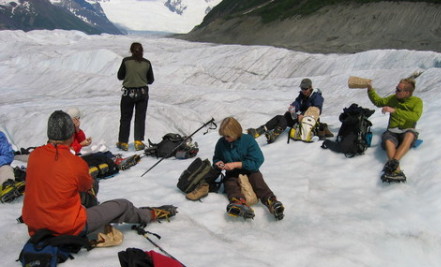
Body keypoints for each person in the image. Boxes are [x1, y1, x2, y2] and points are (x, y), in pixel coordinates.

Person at [22, 111, 176, 237]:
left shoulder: (35, 155)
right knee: (121, 204)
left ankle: (95, 213)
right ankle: (150, 215)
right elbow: (86, 186)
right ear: (71, 135)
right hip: (66, 227)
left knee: (82, 187)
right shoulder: (75, 163)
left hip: (35, 225)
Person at [213, 117, 284, 220]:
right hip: (231, 173)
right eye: (224, 136)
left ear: (235, 133)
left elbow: (257, 160)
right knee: (230, 183)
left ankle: (271, 201)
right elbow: (217, 158)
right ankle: (238, 203)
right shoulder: (221, 143)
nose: (225, 139)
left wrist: (237, 164)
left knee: (257, 180)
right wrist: (218, 163)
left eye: (228, 136)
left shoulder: (248, 140)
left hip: (250, 170)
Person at [367, 77, 423, 182]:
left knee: (410, 135)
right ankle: (396, 171)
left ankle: (393, 164)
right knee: (388, 139)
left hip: (407, 130)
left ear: (407, 92)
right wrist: (370, 89)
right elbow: (378, 102)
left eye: (398, 90)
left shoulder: (417, 102)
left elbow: (415, 116)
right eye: (396, 88)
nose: (396, 91)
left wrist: (394, 111)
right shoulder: (393, 99)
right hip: (392, 131)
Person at [247, 78, 326, 143]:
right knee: (283, 116)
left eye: (305, 88)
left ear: (310, 87)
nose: (304, 90)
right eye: (302, 88)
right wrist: (293, 108)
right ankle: (260, 132)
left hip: (308, 121)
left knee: (284, 118)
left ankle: (274, 134)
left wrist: (304, 116)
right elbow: (297, 103)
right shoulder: (302, 95)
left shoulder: (317, 97)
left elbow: (316, 109)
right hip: (300, 119)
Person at [117, 42, 154, 152]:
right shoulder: (147, 63)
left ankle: (123, 142)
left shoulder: (126, 61)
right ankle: (138, 142)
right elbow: (151, 80)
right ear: (142, 50)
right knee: (140, 118)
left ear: (131, 50)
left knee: (125, 118)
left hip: (128, 94)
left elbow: (120, 76)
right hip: (142, 93)